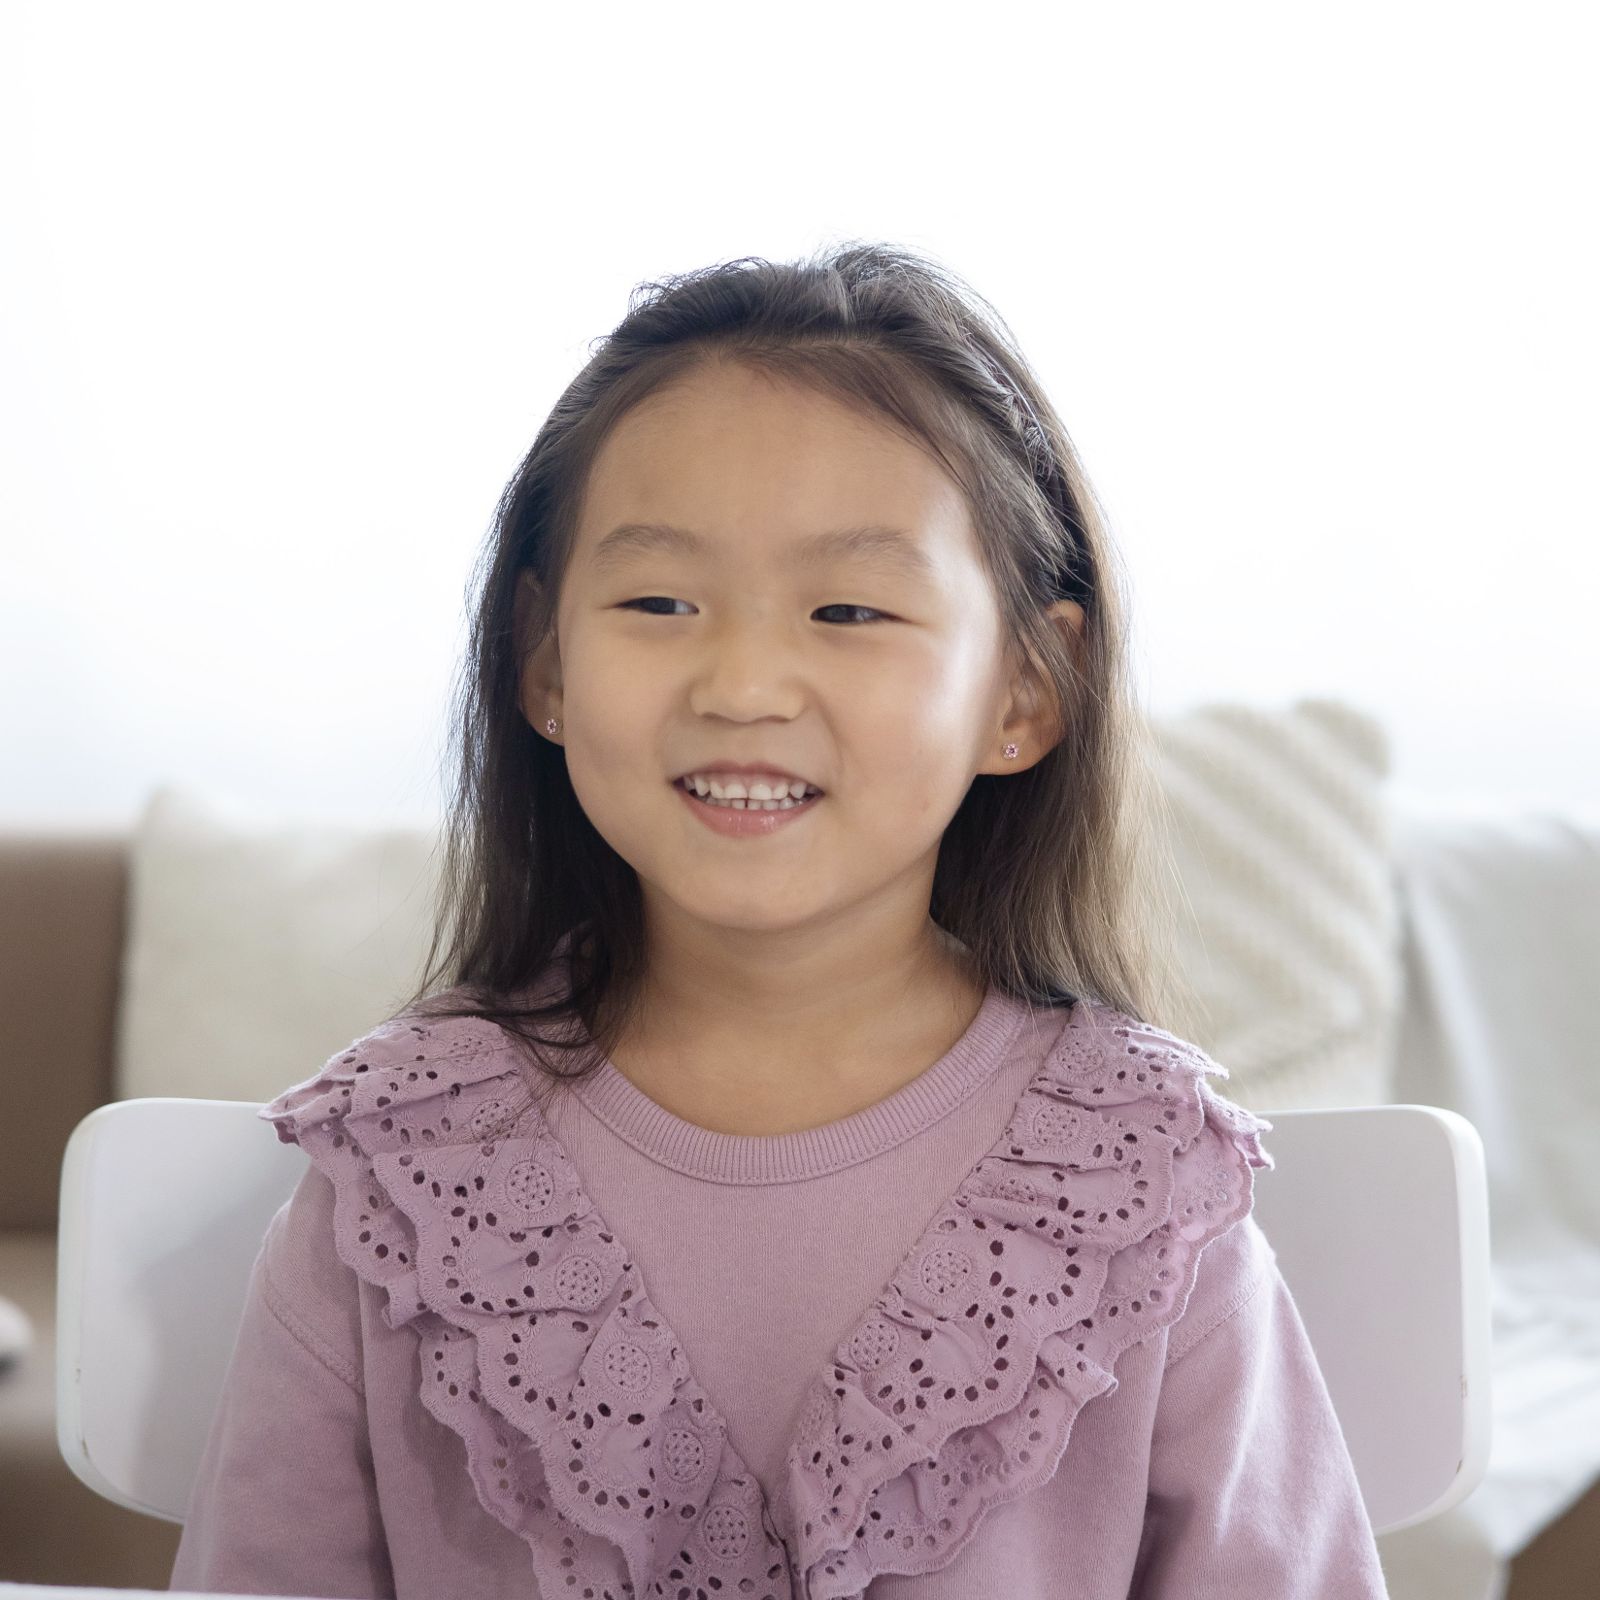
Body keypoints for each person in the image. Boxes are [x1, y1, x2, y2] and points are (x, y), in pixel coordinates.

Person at [169, 241, 1390, 1599]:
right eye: (658, 602)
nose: (744, 681)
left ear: (1026, 694)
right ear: (543, 663)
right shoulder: (398, 1164)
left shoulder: (1145, 1179)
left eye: (850, 607)